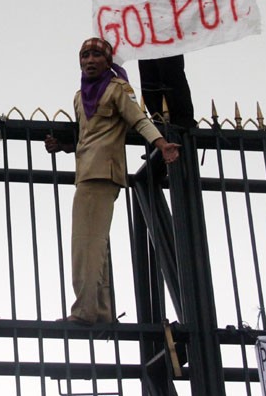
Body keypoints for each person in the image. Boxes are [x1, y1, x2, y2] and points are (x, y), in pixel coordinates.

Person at [45, 37, 180, 326]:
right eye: (84, 55)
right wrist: (64, 146)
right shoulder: (80, 96)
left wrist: (161, 143)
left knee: (85, 245)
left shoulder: (117, 88)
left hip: (104, 173)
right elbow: (86, 136)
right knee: (95, 244)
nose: (89, 60)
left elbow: (138, 119)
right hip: (86, 171)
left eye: (96, 55)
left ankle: (84, 312)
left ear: (108, 61)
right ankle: (101, 311)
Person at [77, 0, 196, 129]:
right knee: (149, 81)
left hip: (166, 35)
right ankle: (159, 127)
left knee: (172, 76)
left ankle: (183, 126)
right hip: (145, 40)